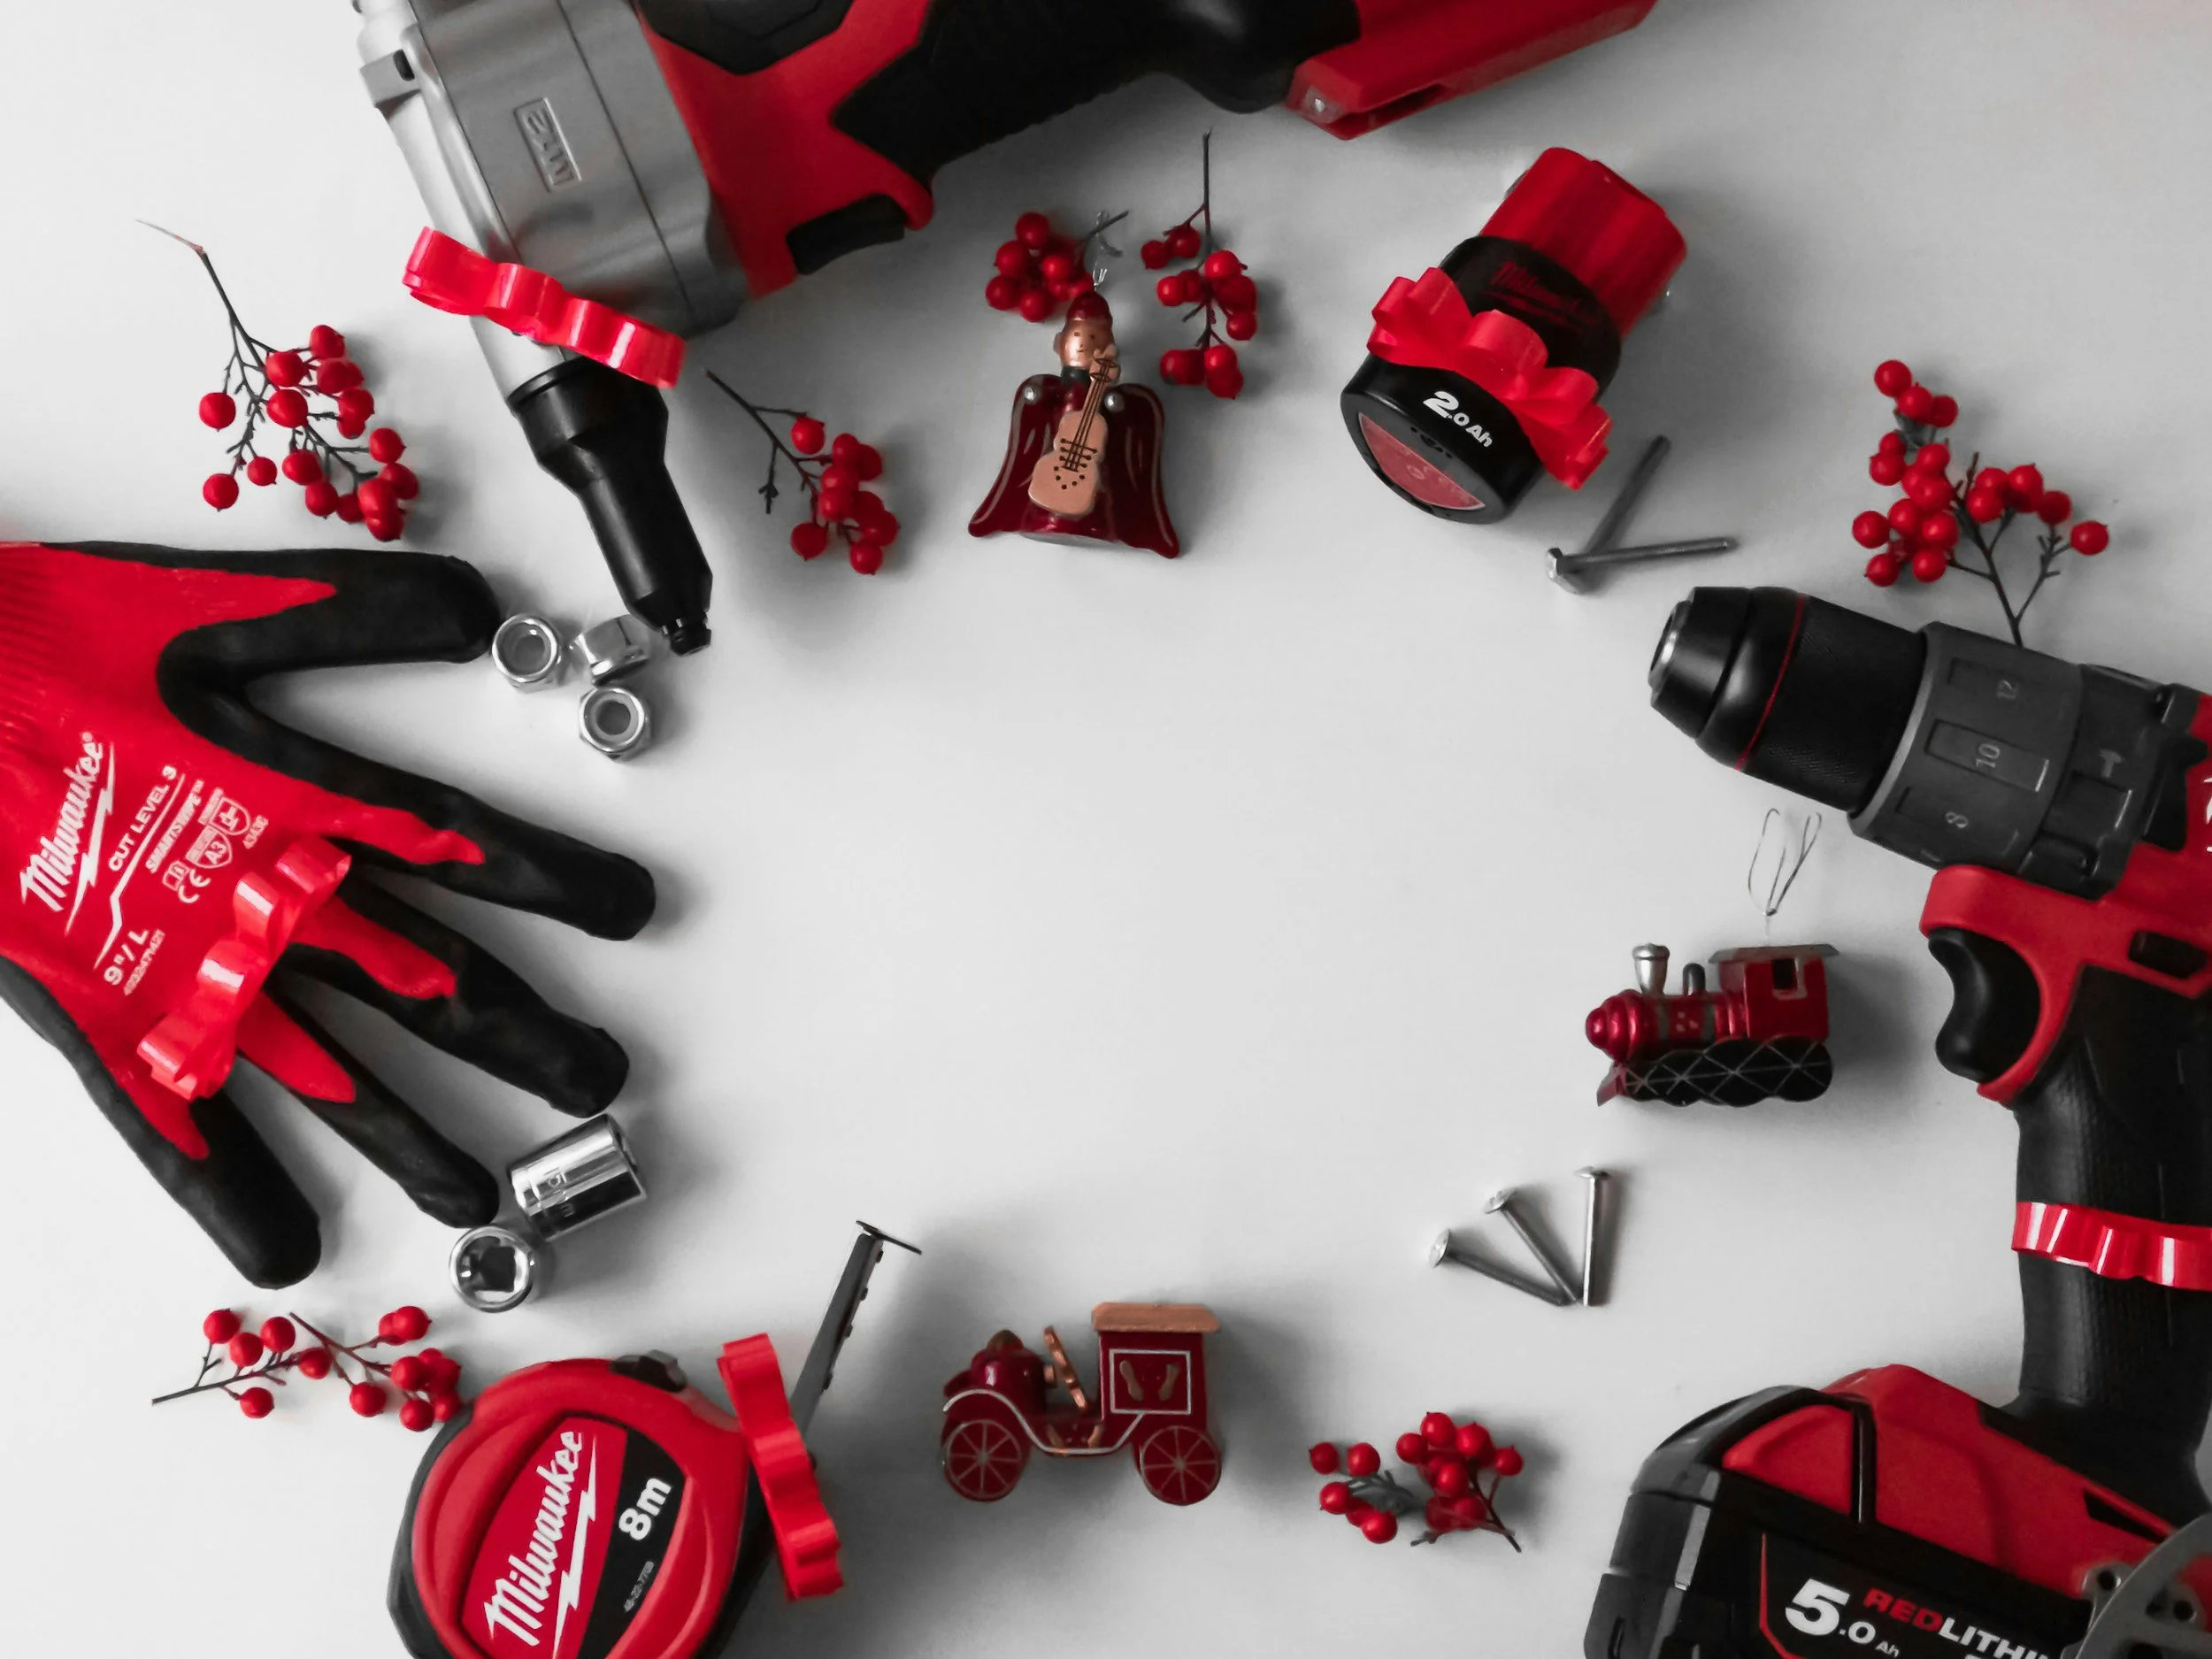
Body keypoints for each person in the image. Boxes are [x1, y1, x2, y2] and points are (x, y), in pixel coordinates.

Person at [969, 293, 1179, 557]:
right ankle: (1043, 512)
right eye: (1078, 334)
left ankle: (1101, 519)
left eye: (1095, 336)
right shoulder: (1051, 390)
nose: (1085, 343)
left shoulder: (1112, 395)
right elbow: (1027, 439)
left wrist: (1117, 403)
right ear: (1060, 343)